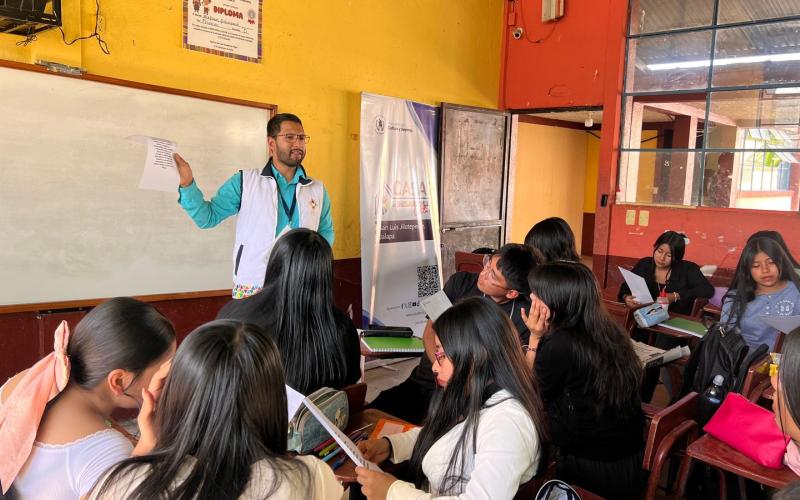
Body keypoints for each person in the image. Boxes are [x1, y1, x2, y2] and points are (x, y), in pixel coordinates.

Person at [90, 320, 343, 500]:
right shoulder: (312, 476)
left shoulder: (130, 481)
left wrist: (148, 443)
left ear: (176, 395)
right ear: (274, 399)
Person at [355, 297, 545, 499]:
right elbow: (442, 434)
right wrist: (390, 445)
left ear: (475, 356)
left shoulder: (508, 422)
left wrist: (393, 492)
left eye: (442, 356)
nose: (435, 368)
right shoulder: (475, 394)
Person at [0, 297, 176, 498]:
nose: (168, 380)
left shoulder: (31, 380)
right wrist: (146, 449)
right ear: (118, 381)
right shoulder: (105, 448)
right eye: (163, 372)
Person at [369, 244, 539, 424]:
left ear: (512, 293)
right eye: (488, 264)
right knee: (375, 411)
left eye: (492, 275)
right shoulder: (460, 282)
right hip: (426, 381)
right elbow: (430, 330)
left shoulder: (523, 315)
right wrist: (440, 367)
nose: (483, 273)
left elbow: (514, 373)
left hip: (468, 400)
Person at [174, 113, 334, 299]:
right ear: (271, 143)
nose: (298, 143)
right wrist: (187, 183)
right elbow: (206, 218)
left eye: (301, 137)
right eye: (289, 137)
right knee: (251, 330)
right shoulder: (245, 182)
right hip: (253, 285)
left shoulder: (317, 189)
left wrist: (314, 269)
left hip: (302, 288)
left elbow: (326, 233)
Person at [525, 261, 645, 499]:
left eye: (536, 293)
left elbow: (527, 389)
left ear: (552, 303)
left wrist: (535, 337)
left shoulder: (560, 344)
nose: (530, 296)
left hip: (591, 468)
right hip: (628, 457)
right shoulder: (608, 329)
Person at [217, 228, 360, 394]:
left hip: (256, 418)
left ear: (274, 264)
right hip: (326, 418)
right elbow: (350, 386)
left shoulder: (235, 317)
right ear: (326, 274)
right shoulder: (344, 328)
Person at [721, 236, 800, 351]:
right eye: (756, 266)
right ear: (748, 270)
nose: (765, 270)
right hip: (745, 364)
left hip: (790, 363)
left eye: (771, 262)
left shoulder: (796, 290)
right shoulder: (736, 298)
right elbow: (725, 340)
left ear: (781, 262)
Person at [618, 230, 714, 315]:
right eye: (659, 251)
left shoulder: (688, 269)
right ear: (655, 247)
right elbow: (626, 286)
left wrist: (675, 296)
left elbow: (707, 290)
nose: (662, 258)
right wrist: (626, 297)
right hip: (644, 318)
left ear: (677, 257)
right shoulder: (645, 264)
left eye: (669, 255)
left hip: (673, 322)